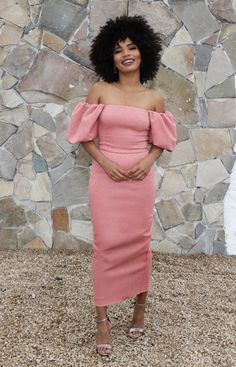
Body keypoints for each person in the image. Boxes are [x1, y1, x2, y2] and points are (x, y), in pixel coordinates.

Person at [66, 15, 176, 356]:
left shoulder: (154, 97)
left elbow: (160, 141)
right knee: (105, 244)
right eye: (117, 50)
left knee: (139, 242)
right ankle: (103, 321)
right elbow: (85, 137)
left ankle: (139, 308)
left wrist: (147, 161)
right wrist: (106, 163)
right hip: (106, 179)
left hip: (140, 183)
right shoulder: (100, 90)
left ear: (144, 52)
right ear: (109, 58)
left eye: (131, 46)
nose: (126, 53)